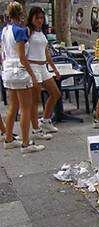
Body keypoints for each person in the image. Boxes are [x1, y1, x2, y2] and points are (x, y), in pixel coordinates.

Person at [1, 2, 45, 153]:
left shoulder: (5, 30)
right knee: (26, 108)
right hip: (19, 71)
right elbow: (22, 57)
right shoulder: (20, 31)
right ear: (21, 13)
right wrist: (32, 75)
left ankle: (8, 139)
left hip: (8, 70)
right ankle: (26, 143)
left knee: (12, 106)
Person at [26, 7, 61, 140]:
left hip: (43, 67)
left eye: (41, 18)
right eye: (37, 18)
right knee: (35, 101)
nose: (40, 20)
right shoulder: (28, 31)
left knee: (55, 93)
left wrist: (54, 68)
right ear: (32, 18)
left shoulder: (42, 32)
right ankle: (35, 129)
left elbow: (46, 53)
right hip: (33, 66)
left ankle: (46, 120)